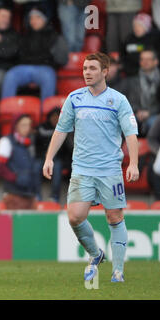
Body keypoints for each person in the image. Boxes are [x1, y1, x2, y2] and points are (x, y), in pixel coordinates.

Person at [43, 52, 139, 283]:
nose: (87, 72)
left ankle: (118, 271)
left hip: (110, 170)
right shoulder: (74, 98)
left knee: (114, 215)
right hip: (82, 170)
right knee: (75, 216)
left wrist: (133, 163)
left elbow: (130, 133)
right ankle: (96, 255)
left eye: (93, 68)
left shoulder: (118, 100)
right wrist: (49, 158)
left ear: (105, 72)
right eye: (85, 68)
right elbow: (61, 130)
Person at [0, 7, 68, 101]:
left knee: (48, 77)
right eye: (31, 18)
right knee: (10, 75)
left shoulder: (54, 36)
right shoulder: (25, 35)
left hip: (44, 68)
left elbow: (62, 59)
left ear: (44, 19)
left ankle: (47, 112)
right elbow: (16, 54)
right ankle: (7, 111)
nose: (33, 20)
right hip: (24, 67)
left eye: (37, 17)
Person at [0, 114, 42, 209]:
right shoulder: (6, 141)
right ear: (16, 126)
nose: (27, 128)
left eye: (29, 125)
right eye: (23, 125)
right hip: (14, 194)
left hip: (30, 194)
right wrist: (16, 178)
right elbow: (0, 167)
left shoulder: (30, 143)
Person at [119, 49, 160, 137]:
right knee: (122, 123)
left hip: (155, 115)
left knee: (155, 123)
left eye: (148, 59)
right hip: (134, 114)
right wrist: (137, 111)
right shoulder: (131, 80)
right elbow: (123, 100)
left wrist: (149, 112)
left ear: (155, 62)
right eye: (142, 59)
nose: (145, 62)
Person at [35, 107, 72, 203]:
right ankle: (36, 196)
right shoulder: (42, 128)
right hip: (41, 157)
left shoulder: (66, 130)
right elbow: (36, 146)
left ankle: (54, 197)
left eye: (58, 117)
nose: (55, 119)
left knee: (57, 167)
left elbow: (68, 150)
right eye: (53, 117)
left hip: (58, 159)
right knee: (36, 166)